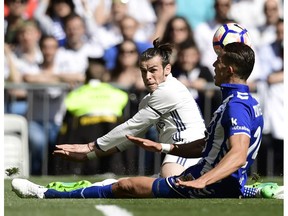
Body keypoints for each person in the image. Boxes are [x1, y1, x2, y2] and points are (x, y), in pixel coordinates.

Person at [11, 42, 284, 199]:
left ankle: (45, 194)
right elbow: (215, 145)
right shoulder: (244, 101)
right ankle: (254, 190)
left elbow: (237, 153)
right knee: (129, 183)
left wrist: (90, 150)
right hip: (194, 157)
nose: (213, 64)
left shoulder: (223, 103)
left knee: (127, 186)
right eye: (144, 71)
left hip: (198, 168)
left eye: (218, 61)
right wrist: (164, 148)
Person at [53, 38, 206, 178]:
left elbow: (130, 127)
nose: (147, 77)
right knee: (126, 185)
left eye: (153, 70)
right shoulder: (148, 100)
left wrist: (89, 147)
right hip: (177, 151)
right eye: (143, 71)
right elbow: (130, 139)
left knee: (168, 176)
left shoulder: (168, 90)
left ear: (167, 69)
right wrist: (90, 155)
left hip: (189, 149)